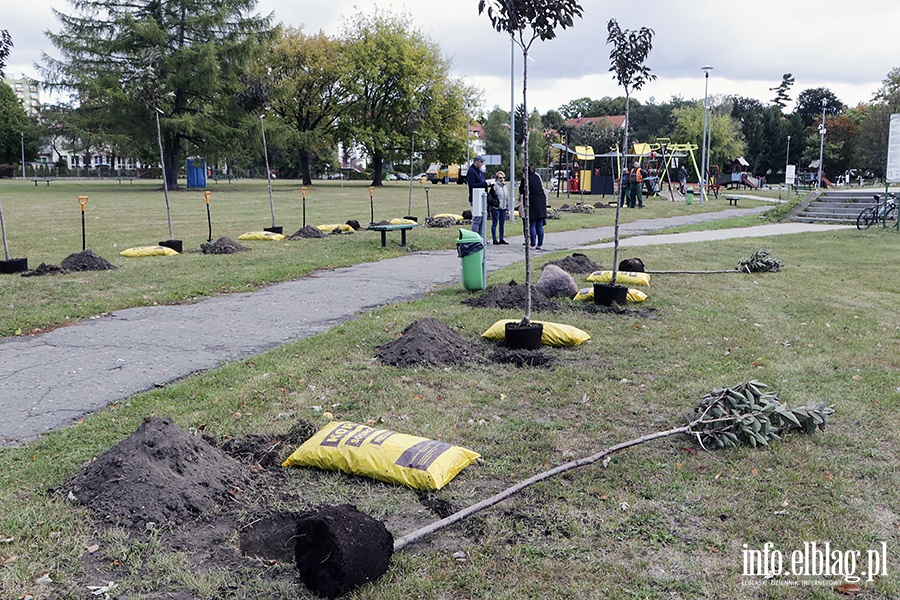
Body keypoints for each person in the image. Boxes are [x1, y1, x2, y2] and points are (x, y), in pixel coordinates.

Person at [523, 167, 547, 250]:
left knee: (532, 223)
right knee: (540, 225)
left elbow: (521, 190)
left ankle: (532, 243)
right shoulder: (536, 176)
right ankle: (540, 244)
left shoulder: (526, 178)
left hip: (532, 201)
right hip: (541, 201)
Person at [466, 156, 487, 237]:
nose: (482, 164)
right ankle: (474, 237)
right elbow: (472, 185)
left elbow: (482, 181)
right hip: (476, 198)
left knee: (482, 218)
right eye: (481, 162)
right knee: (477, 218)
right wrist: (484, 184)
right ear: (476, 162)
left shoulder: (479, 171)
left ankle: (481, 236)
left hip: (482, 197)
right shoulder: (471, 171)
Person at [489, 171, 510, 244]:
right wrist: (494, 204)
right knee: (495, 223)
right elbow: (491, 197)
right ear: (497, 178)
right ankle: (494, 239)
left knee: (502, 223)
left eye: (503, 177)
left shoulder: (505, 187)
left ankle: (501, 238)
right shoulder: (495, 186)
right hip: (496, 208)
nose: (502, 179)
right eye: (500, 178)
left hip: (503, 208)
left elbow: (507, 197)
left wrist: (508, 208)